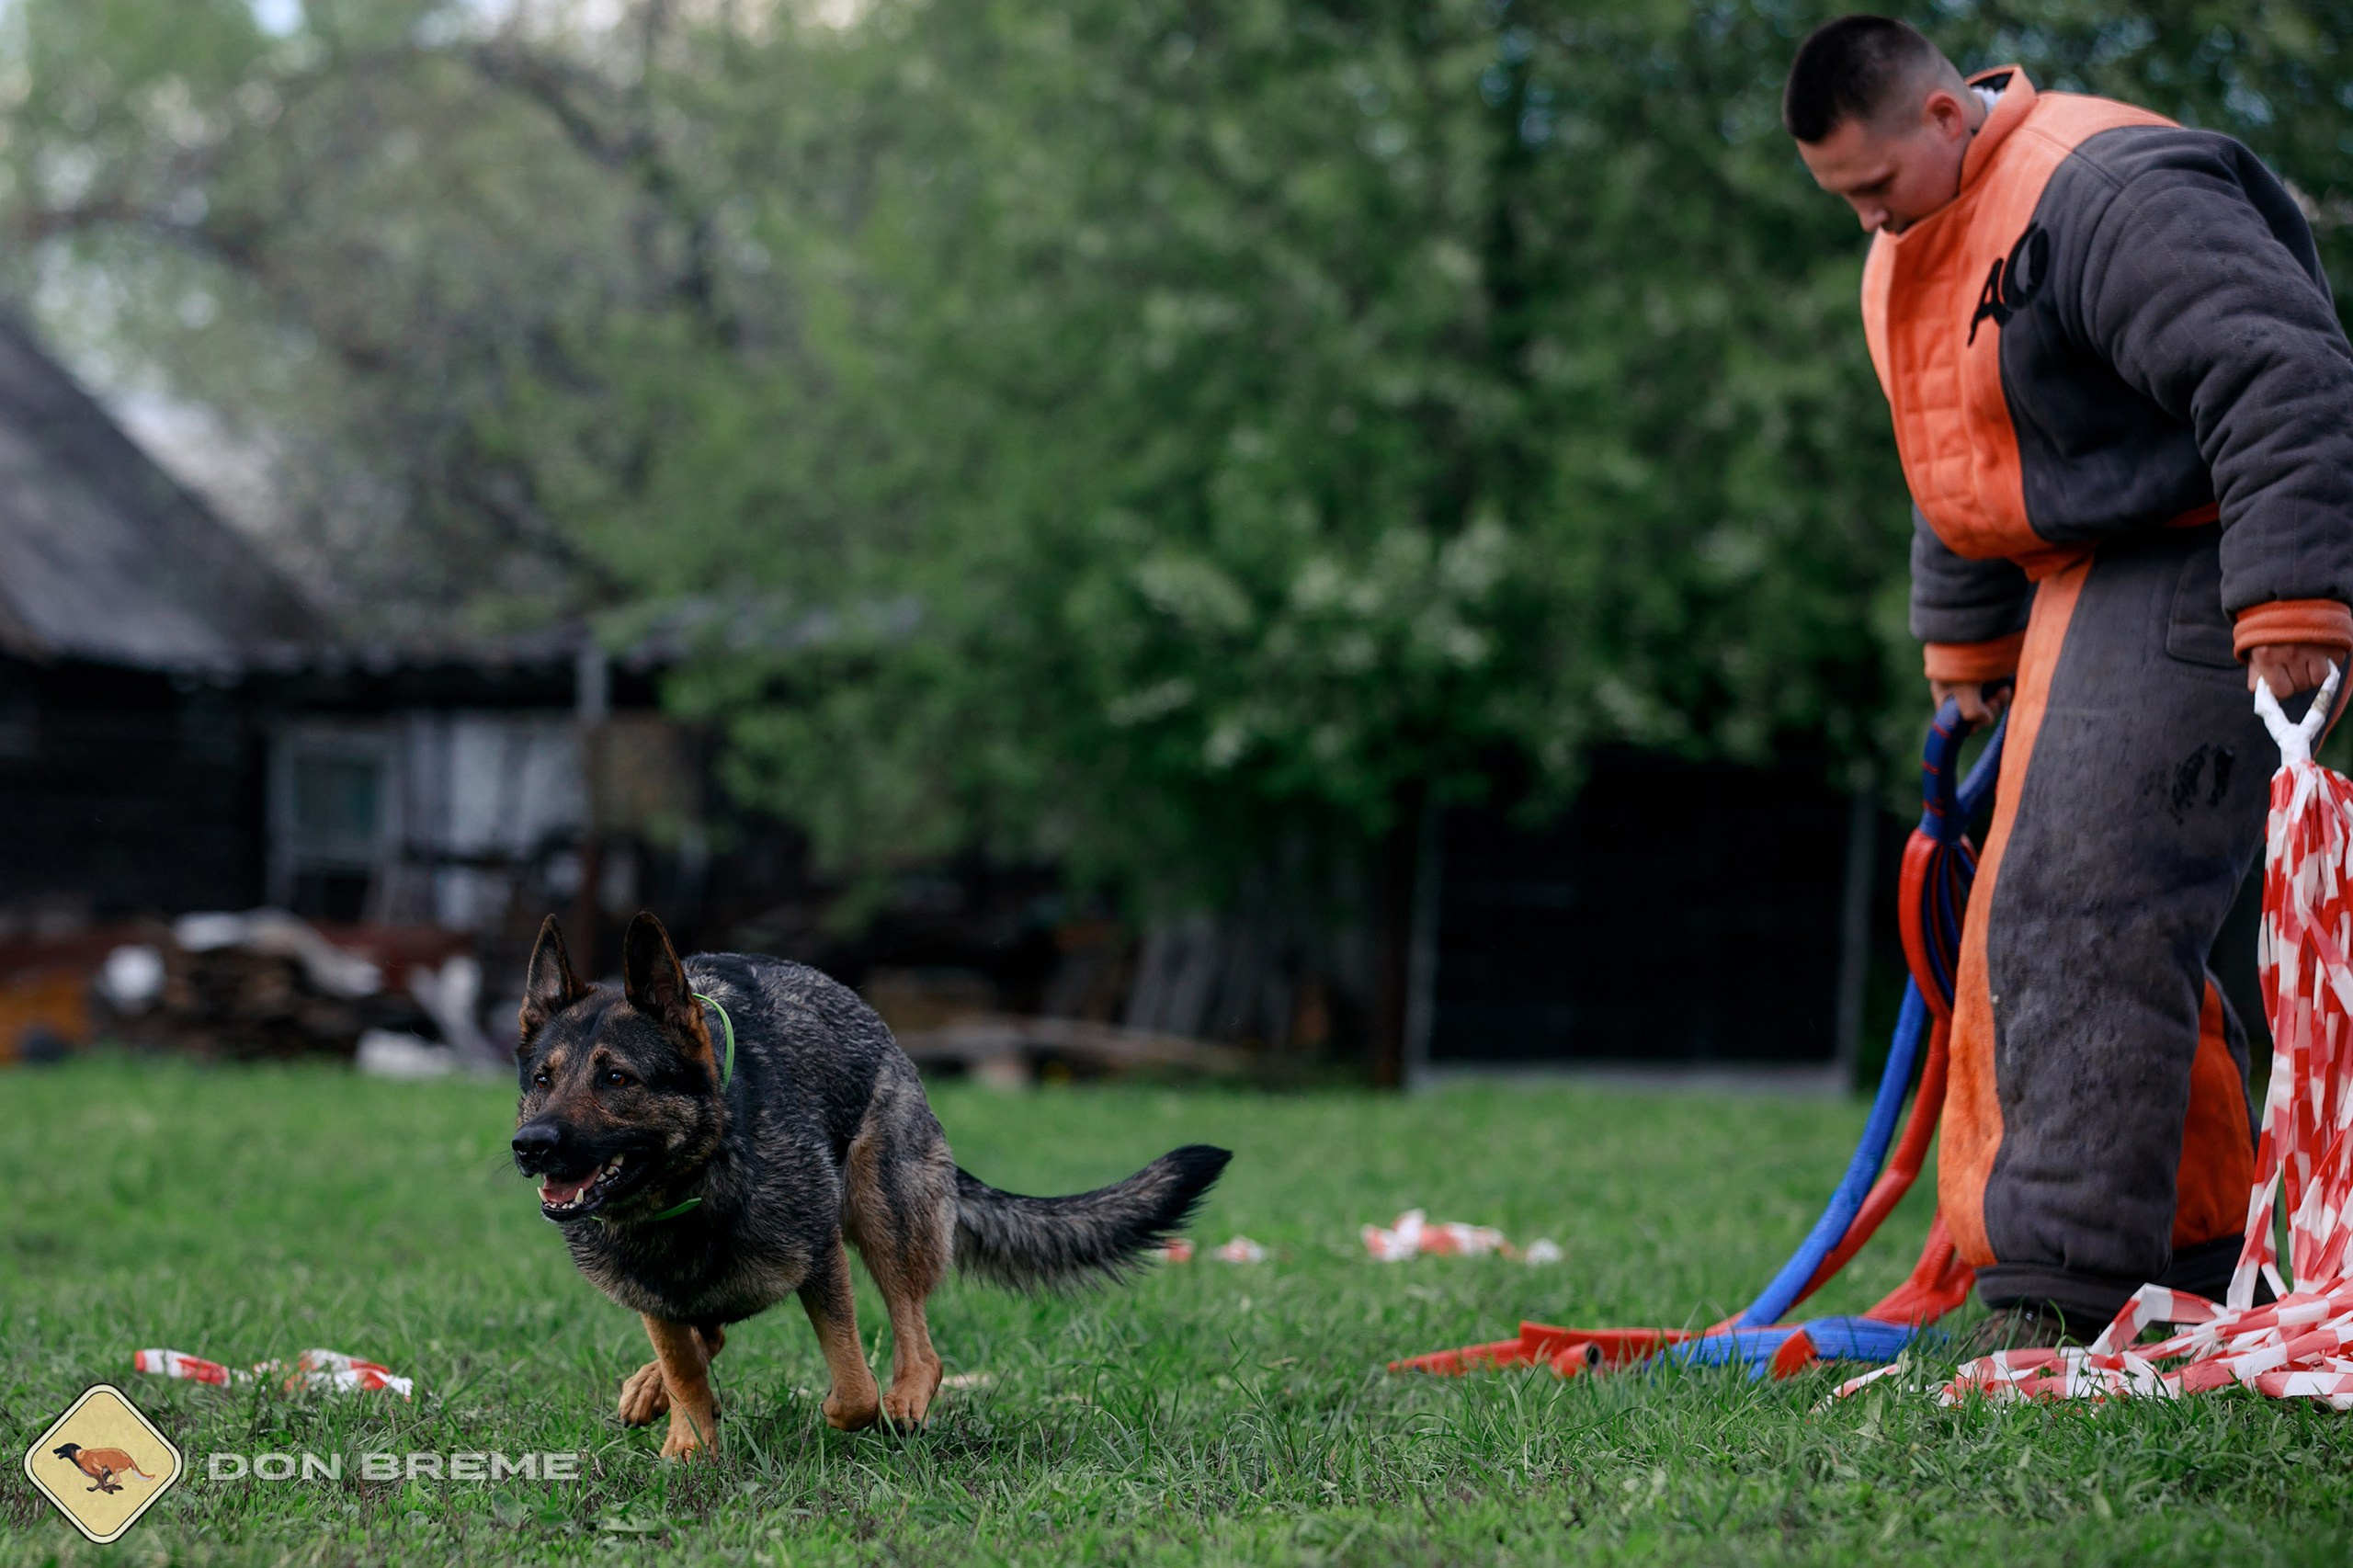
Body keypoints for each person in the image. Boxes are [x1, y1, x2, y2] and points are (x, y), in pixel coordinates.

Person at [1783, 16, 2353, 1346]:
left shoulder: (2104, 189)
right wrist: (1966, 648)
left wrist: (2292, 599)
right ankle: (2189, 1252)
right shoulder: (1914, 242)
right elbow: (1956, 448)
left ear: (1943, 114)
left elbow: (2285, 369)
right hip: (2076, 582)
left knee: (2078, 908)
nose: (1865, 217)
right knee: (2053, 913)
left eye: (1874, 184)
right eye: (1843, 197)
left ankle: (2069, 1288)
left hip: (2201, 555)